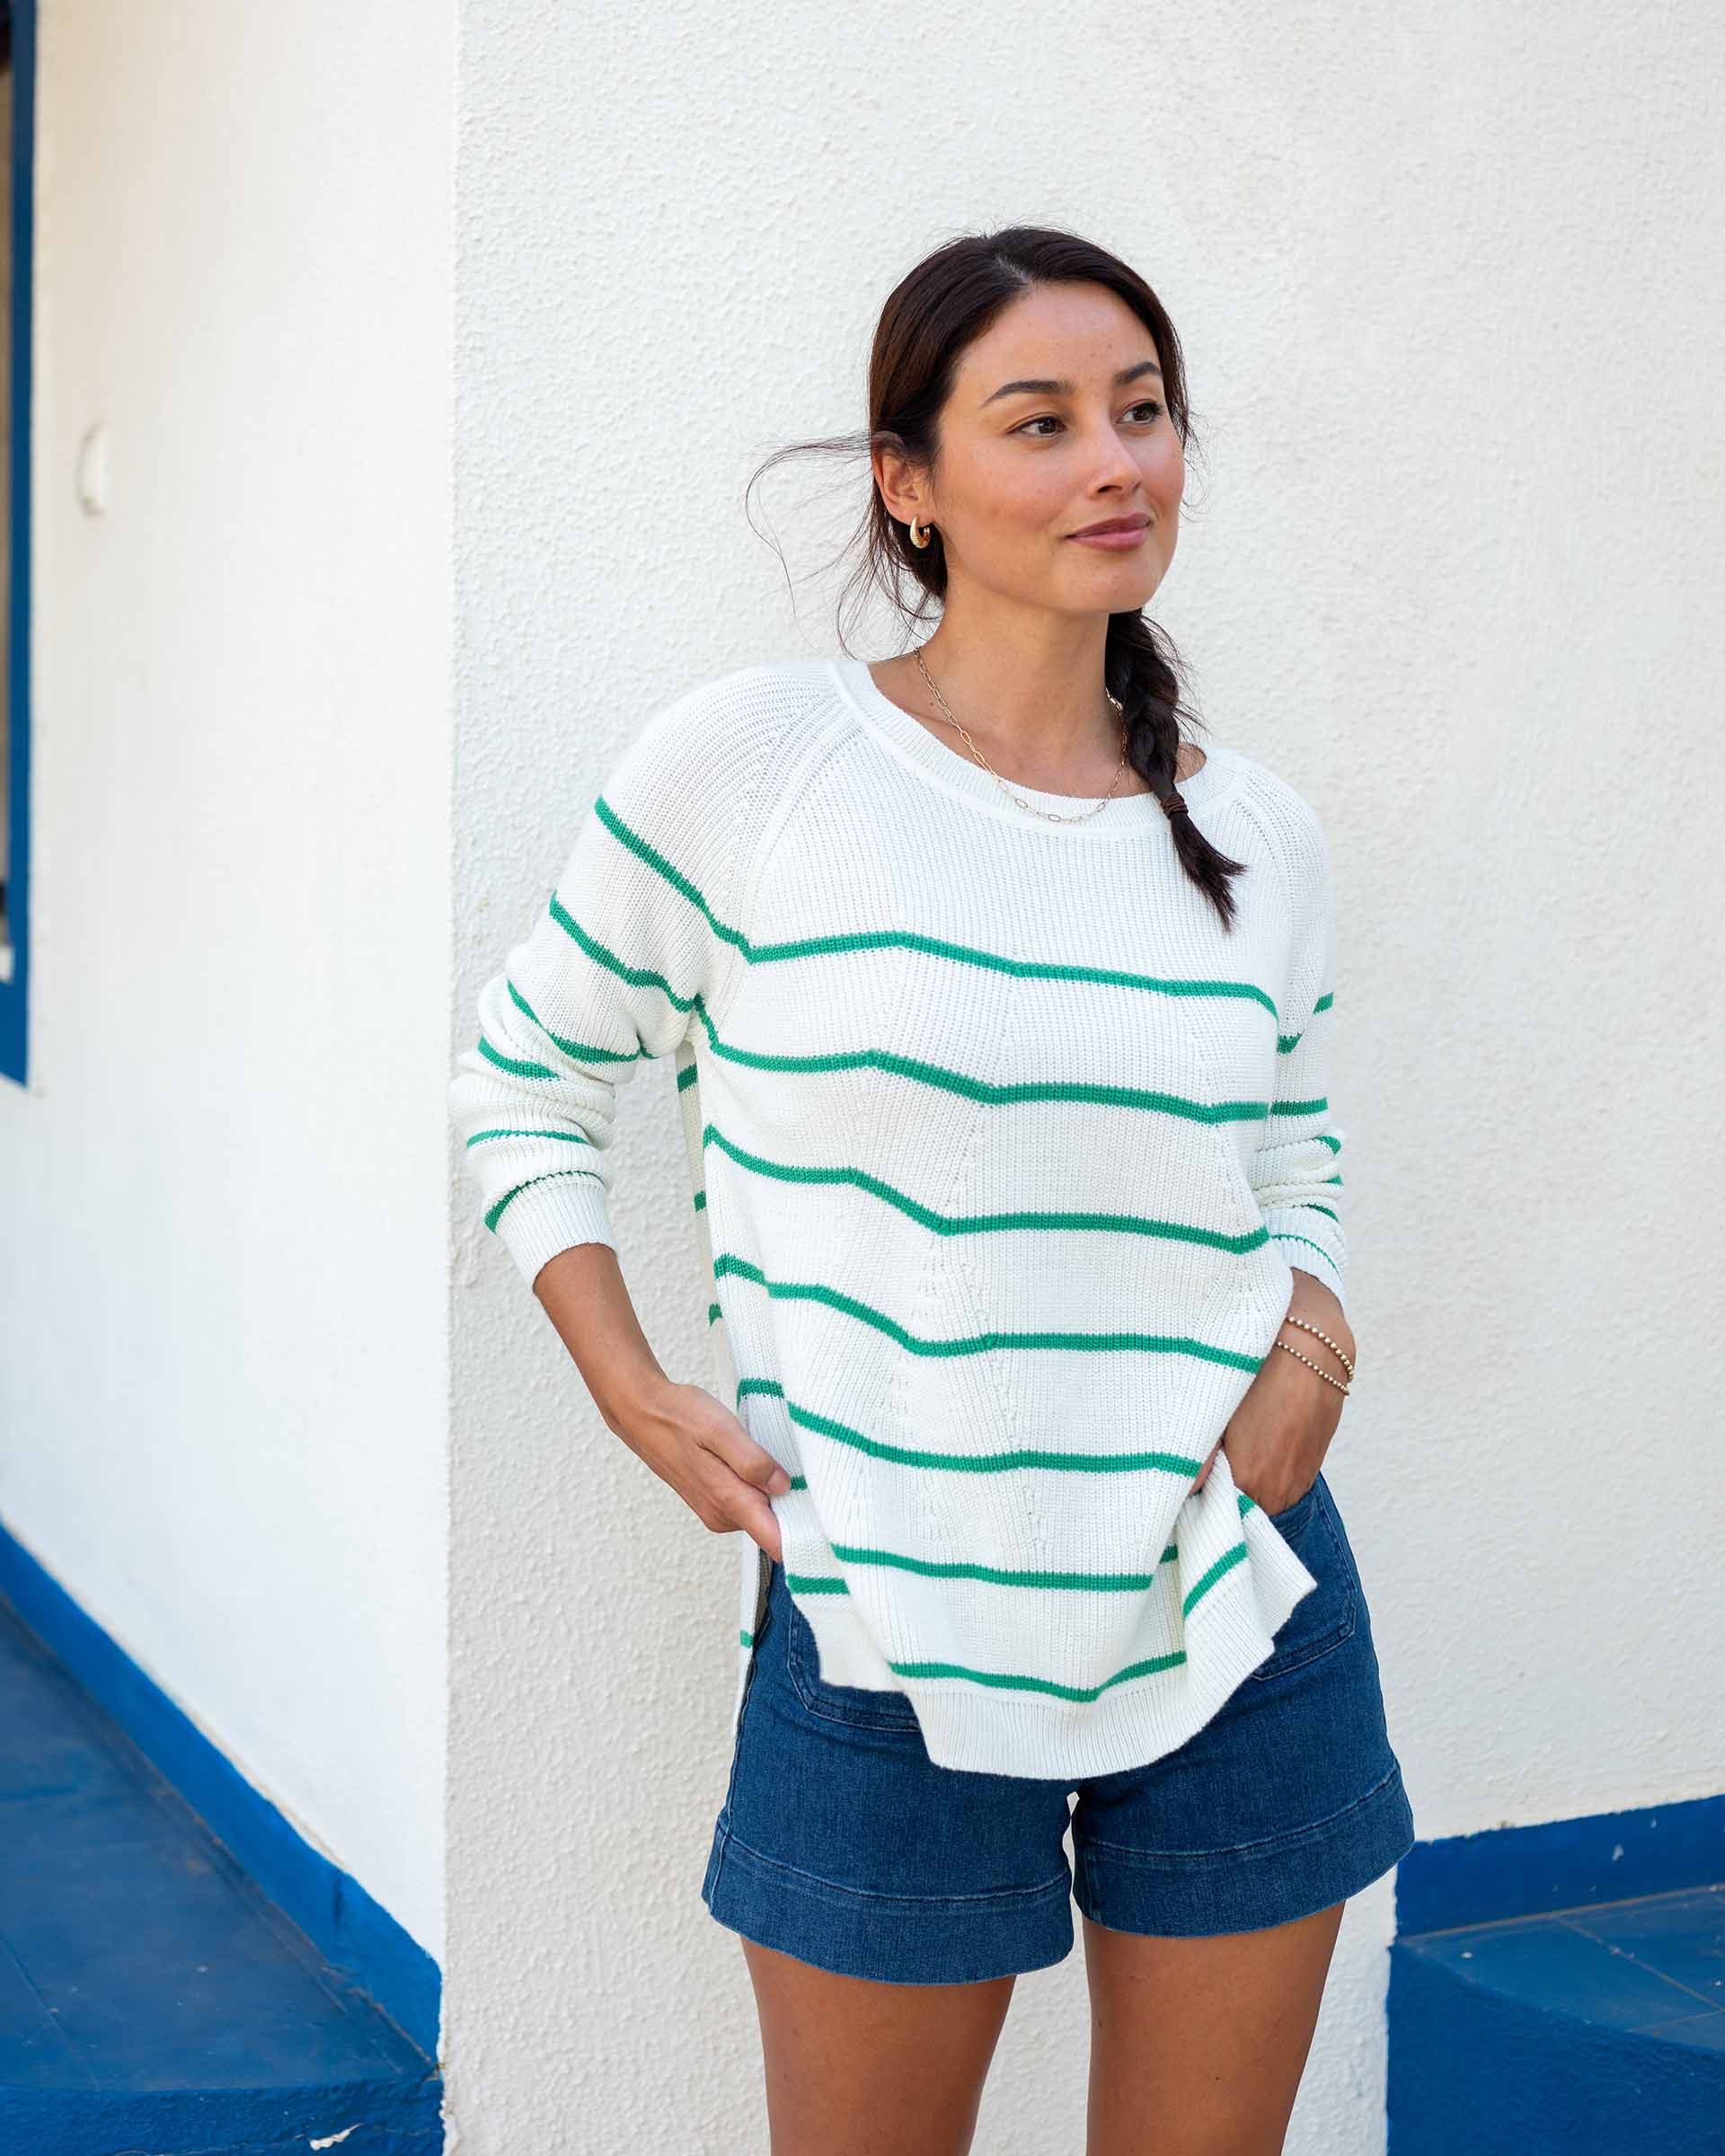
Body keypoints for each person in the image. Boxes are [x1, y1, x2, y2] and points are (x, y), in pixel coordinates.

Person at [448, 222, 1415, 2155]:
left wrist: (1312, 1339)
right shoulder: (757, 767)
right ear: (911, 481)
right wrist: (630, 1387)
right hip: (875, 1619)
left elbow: (1293, 1149)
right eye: (1040, 422)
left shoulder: (1257, 833)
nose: (1115, 464)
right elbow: (524, 1082)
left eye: (1143, 412)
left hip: (1235, 1604)